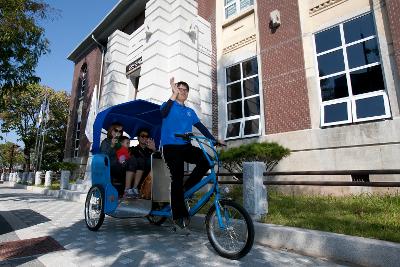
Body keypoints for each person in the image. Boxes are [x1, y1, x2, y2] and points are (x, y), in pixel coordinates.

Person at [160, 77, 223, 229]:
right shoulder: (168, 105)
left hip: (185, 146)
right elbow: (163, 113)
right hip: (171, 147)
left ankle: (185, 188)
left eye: (184, 90)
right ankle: (179, 214)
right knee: (177, 176)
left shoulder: (190, 111)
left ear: (187, 93)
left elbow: (200, 126)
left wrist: (213, 140)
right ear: (175, 91)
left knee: (207, 160)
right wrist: (173, 95)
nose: (182, 92)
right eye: (179, 89)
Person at [124, 128, 156, 198]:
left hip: (148, 175)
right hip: (134, 173)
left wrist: (154, 149)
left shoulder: (151, 151)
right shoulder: (132, 149)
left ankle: (134, 189)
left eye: (147, 136)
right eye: (142, 136)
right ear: (138, 138)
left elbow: (159, 161)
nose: (145, 138)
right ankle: (128, 190)